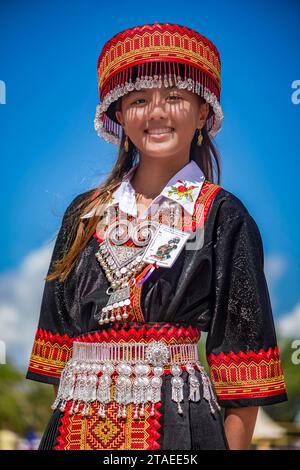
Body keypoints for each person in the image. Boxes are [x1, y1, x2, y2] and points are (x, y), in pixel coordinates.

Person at [26, 22, 287, 450]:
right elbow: (57, 353)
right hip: (75, 425)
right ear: (118, 114)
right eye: (139, 99)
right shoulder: (84, 215)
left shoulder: (222, 215)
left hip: (178, 428)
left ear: (204, 112)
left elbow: (244, 370)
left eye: (175, 97)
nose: (157, 112)